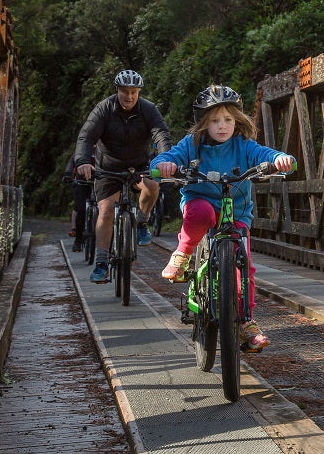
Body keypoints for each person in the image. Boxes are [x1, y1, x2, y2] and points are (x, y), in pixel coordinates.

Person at [150, 84, 295, 352]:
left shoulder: (243, 145)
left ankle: (246, 321)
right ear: (204, 123)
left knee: (244, 265)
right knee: (201, 211)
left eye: (228, 119)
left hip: (237, 211)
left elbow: (265, 154)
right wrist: (163, 165)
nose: (222, 126)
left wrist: (280, 159)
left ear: (237, 121)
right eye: (215, 120)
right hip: (200, 202)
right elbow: (166, 158)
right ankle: (182, 254)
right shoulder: (192, 145)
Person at [74, 70, 173, 284]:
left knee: (152, 185)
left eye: (134, 92)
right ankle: (101, 263)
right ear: (117, 90)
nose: (129, 97)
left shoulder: (148, 110)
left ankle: (141, 222)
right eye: (124, 92)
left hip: (138, 164)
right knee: (107, 210)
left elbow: (161, 134)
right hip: (108, 166)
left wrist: (165, 158)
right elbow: (86, 136)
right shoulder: (104, 109)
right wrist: (83, 161)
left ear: (139, 92)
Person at [62, 153, 91, 252]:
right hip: (82, 180)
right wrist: (67, 173)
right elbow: (73, 159)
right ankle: (78, 240)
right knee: (81, 209)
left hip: (99, 180)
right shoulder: (84, 145)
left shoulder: (104, 146)